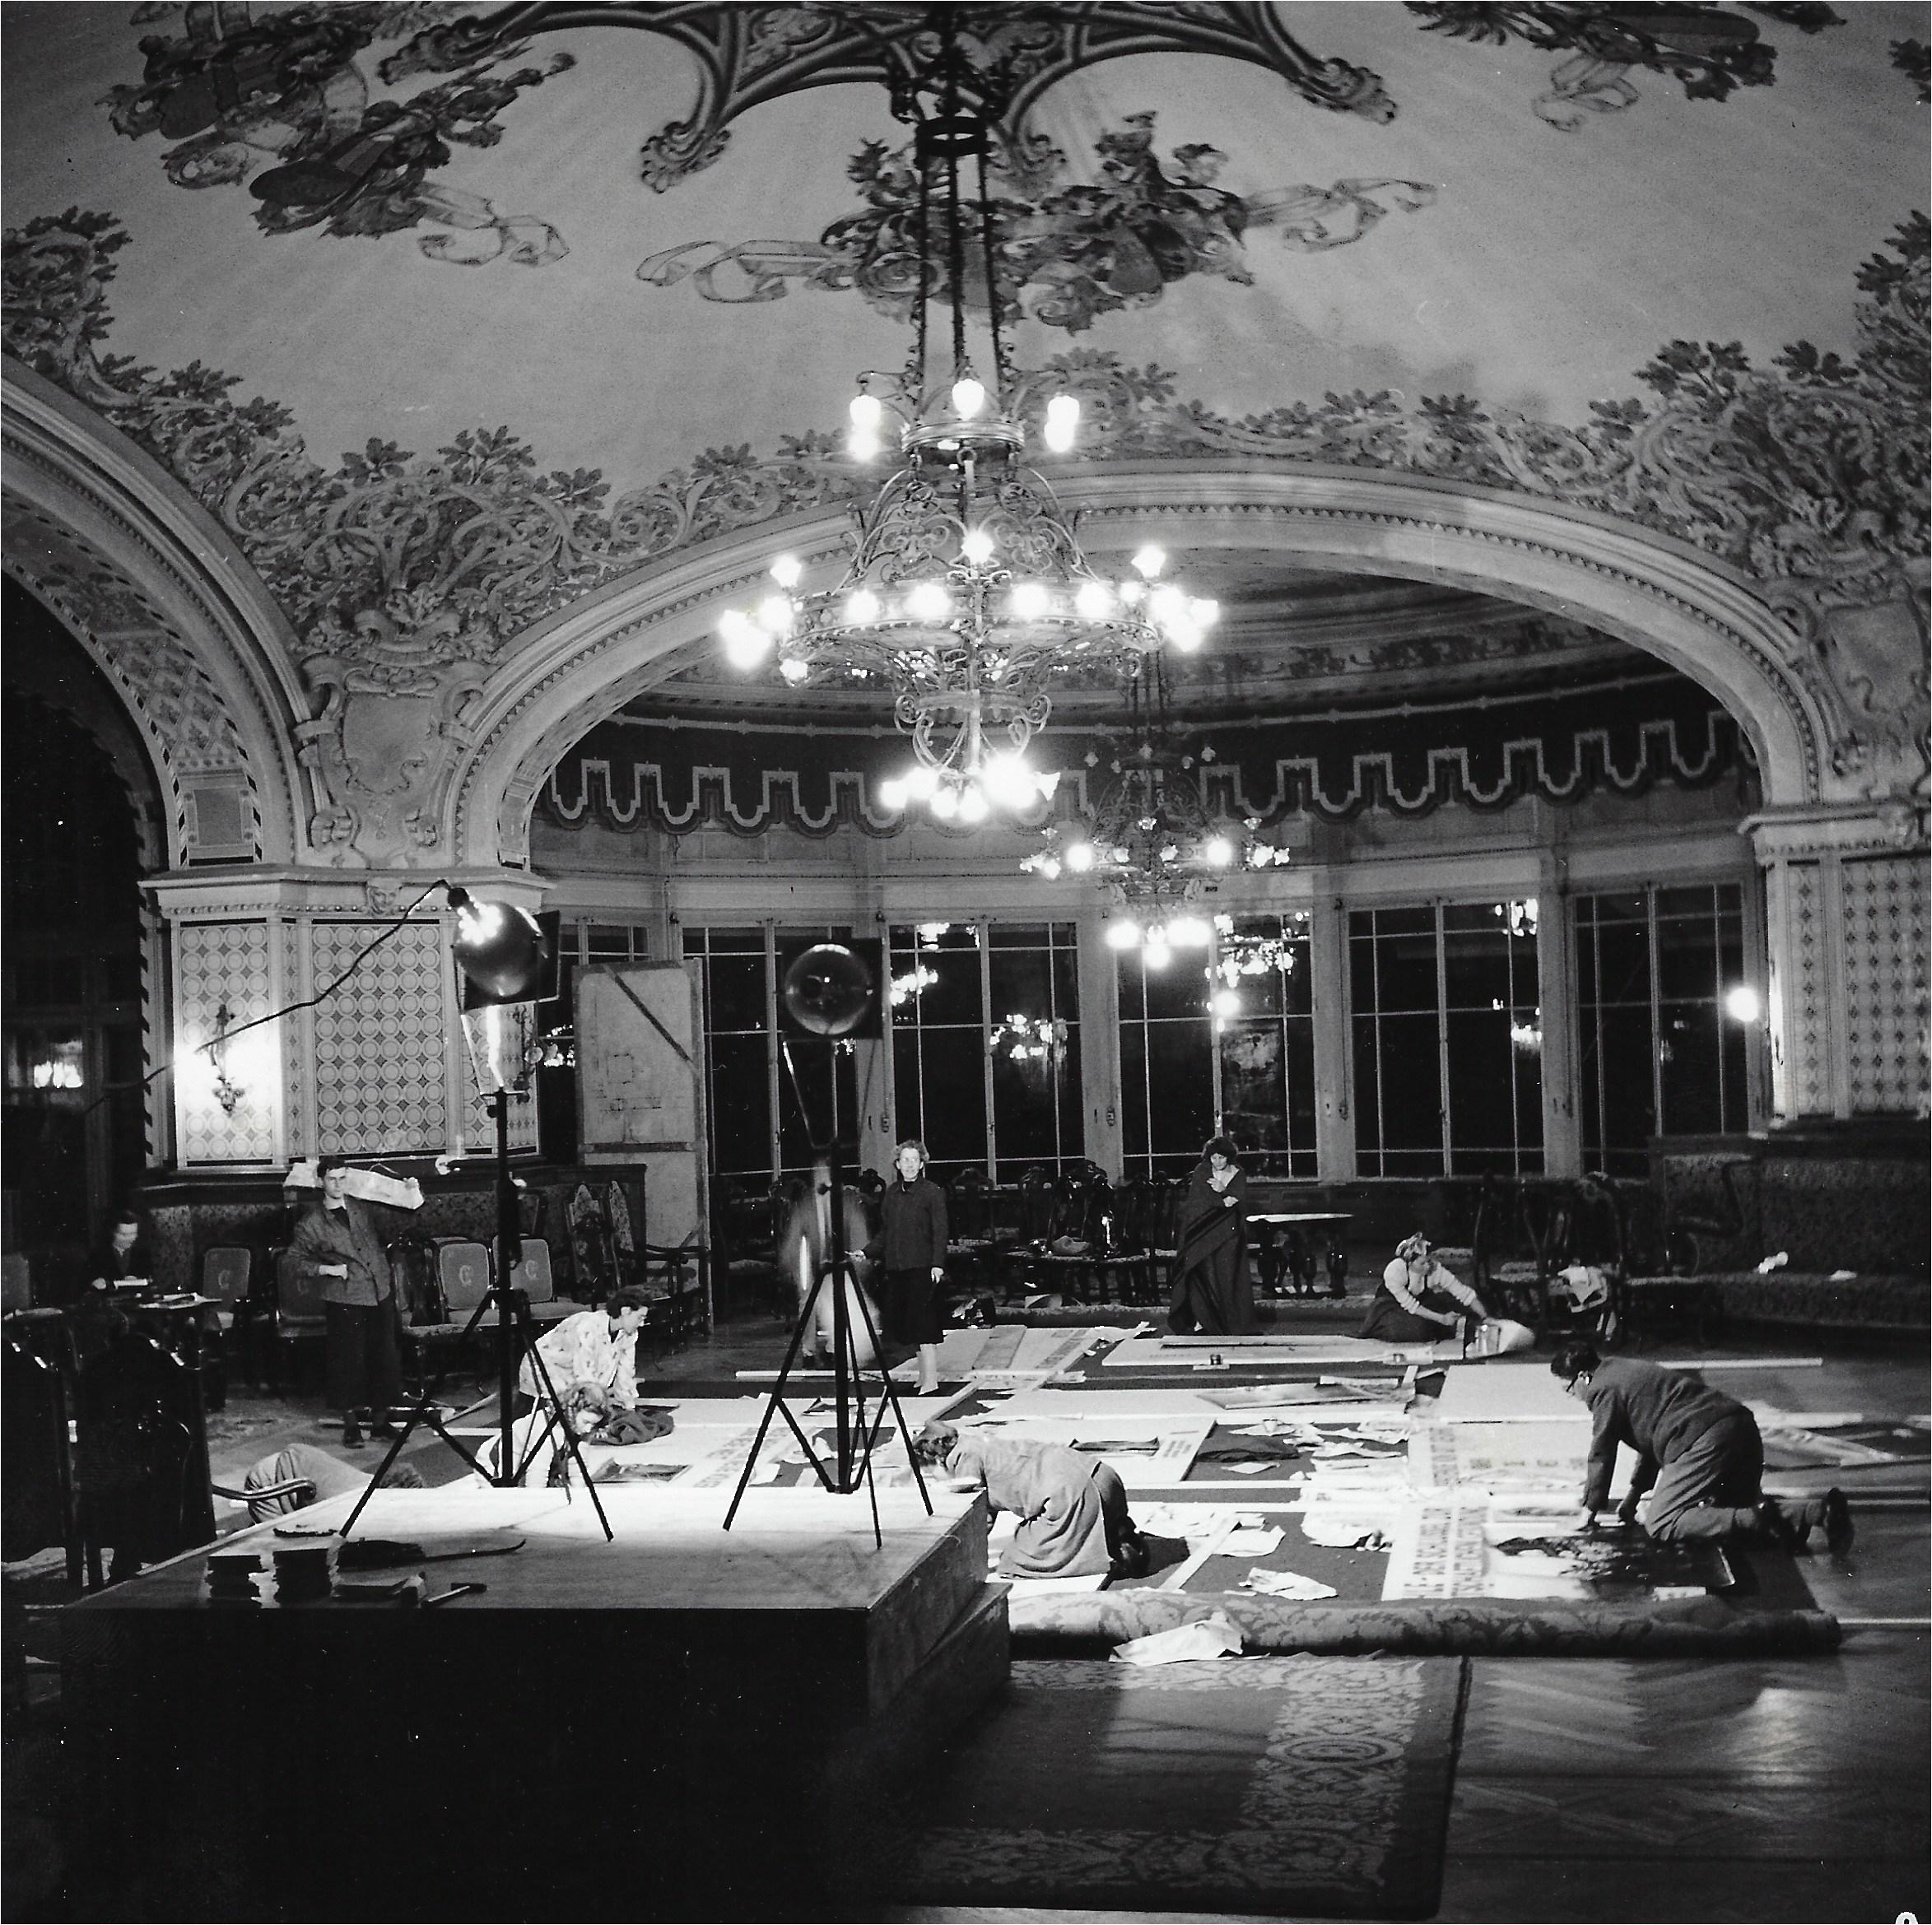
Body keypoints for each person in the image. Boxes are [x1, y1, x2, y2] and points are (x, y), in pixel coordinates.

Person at [1552, 1340, 1854, 1553]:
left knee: (1662, 1522)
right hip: (1739, 1426)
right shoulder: (1620, 1369)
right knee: (1728, 1513)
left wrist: (1590, 1509)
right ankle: (1819, 1512)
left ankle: (1760, 1516)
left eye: (1568, 1389)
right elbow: (1652, 1439)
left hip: (1706, 1438)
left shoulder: (1601, 1390)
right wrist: (1634, 1494)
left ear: (1582, 1377)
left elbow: (1602, 1451)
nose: (1573, 1396)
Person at [913, 1420, 1150, 1580]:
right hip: (1101, 1473)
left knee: (1017, 1559)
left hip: (1073, 1492)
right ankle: (1115, 1531)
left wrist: (958, 1554)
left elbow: (979, 1516)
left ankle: (1116, 1555)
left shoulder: (965, 1458)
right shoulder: (979, 1441)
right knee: (1095, 1515)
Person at [289, 1159, 402, 1448]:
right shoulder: (311, 1223)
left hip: (379, 1291)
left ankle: (380, 1422)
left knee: (383, 1358)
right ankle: (351, 1425)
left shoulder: (361, 1208)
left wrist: (410, 1195)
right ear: (321, 1182)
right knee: (348, 1362)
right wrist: (327, 1270)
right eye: (332, 1180)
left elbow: (392, 1228)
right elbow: (293, 1262)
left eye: (342, 1178)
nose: (338, 1185)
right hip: (345, 1297)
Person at [866, 1139, 948, 1394]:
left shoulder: (932, 1192)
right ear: (898, 1165)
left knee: (925, 1325)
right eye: (905, 1160)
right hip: (898, 1268)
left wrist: (937, 1265)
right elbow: (886, 1231)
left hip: (923, 1267)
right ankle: (923, 1379)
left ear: (922, 1163)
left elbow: (940, 1231)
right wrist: (865, 1251)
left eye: (915, 1160)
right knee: (911, 1325)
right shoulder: (891, 1193)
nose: (910, 1165)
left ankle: (932, 1382)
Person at [1168, 1136, 1254, 1336]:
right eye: (1214, 1158)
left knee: (1226, 1276)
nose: (1217, 1162)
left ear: (1229, 1157)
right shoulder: (1202, 1172)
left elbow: (1237, 1200)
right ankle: (1202, 1321)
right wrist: (1224, 1198)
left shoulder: (1238, 1173)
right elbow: (1200, 1203)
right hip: (1202, 1237)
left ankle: (1227, 1322)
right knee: (1202, 1275)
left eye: (1222, 1158)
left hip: (1228, 1237)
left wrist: (1224, 1191)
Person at [520, 1286, 649, 1415]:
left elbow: (626, 1372)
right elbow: (584, 1375)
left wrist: (629, 1408)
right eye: (640, 1317)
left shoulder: (629, 1334)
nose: (642, 1324)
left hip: (574, 1376)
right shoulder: (587, 1327)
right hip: (545, 1370)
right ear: (625, 1311)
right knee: (558, 1422)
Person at [1358, 1233, 1487, 1344]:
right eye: (1422, 1263)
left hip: (1422, 1304)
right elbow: (1411, 1306)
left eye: (1429, 1261)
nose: (1427, 1267)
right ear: (1409, 1263)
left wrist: (1485, 1317)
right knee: (1417, 1330)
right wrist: (1442, 1319)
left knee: (1457, 1307)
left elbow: (1464, 1293)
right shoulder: (1394, 1270)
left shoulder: (1434, 1268)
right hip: (1391, 1307)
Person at [86, 1208, 151, 1292]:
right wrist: (96, 1283)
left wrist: (138, 1281)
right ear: (112, 1232)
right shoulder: (98, 1255)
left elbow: (151, 1281)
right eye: (124, 1235)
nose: (130, 1239)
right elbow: (86, 1283)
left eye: (133, 1234)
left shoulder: (143, 1254)